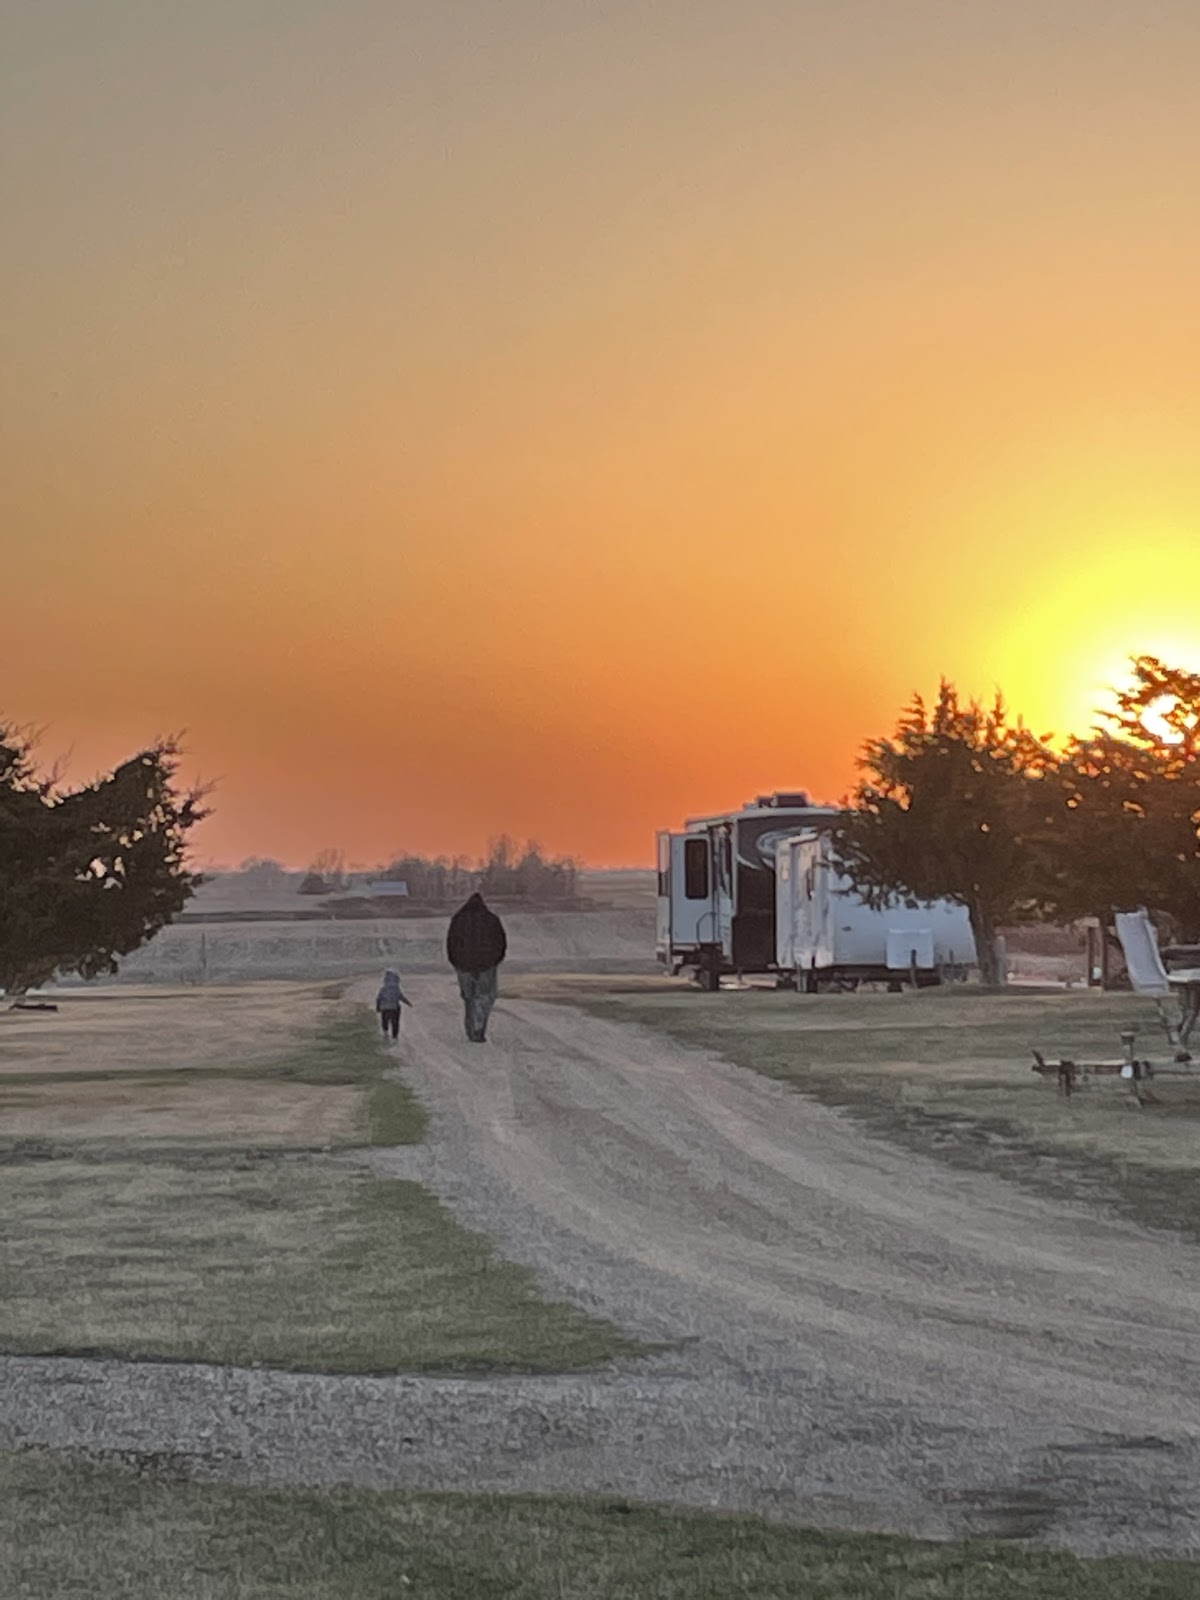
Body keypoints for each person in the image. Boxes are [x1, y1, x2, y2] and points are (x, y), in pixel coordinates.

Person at [446, 891, 507, 1042]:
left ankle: (470, 1029)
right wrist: (495, 961)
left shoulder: (458, 920)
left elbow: (451, 944)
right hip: (487, 966)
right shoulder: (492, 920)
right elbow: (501, 943)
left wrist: (456, 963)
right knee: (485, 997)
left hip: (463, 966)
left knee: (469, 998)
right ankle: (478, 1029)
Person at [374, 968, 413, 1040]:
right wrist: (408, 1003)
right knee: (395, 1023)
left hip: (385, 1008)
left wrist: (378, 1007)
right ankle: (395, 1036)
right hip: (394, 1008)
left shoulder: (383, 988)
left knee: (384, 1021)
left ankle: (385, 1034)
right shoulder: (396, 988)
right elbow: (401, 997)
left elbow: (378, 998)